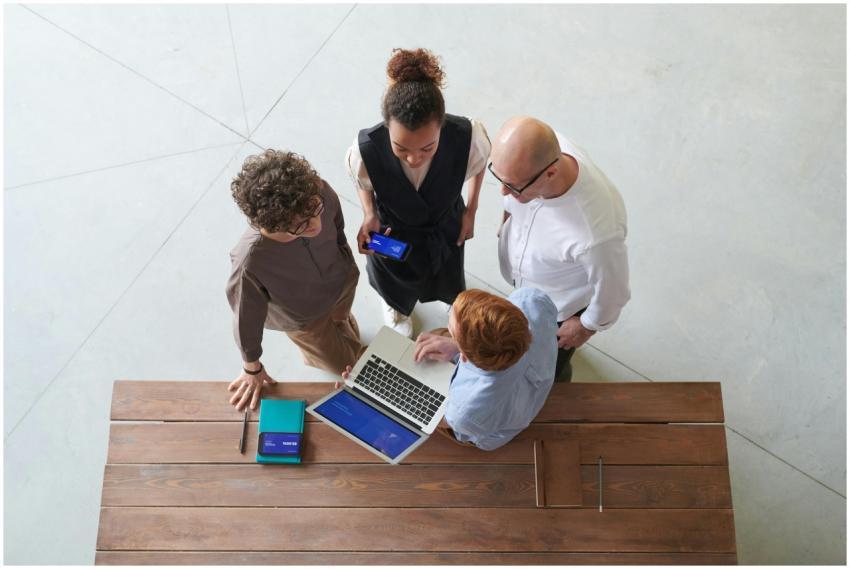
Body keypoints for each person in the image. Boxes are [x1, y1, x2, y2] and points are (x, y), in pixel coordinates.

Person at [345, 47, 490, 338]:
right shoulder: (365, 151)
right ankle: (395, 305)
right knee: (392, 277)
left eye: (428, 147)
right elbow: (364, 183)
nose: (414, 158)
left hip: (444, 221)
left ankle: (452, 302)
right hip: (394, 228)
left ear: (441, 126)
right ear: (387, 128)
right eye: (401, 149)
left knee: (448, 270)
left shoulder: (467, 136)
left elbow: (478, 166)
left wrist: (471, 211)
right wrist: (369, 213)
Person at [489, 116, 630, 382]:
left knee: (545, 370)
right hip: (528, 286)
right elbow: (512, 193)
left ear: (550, 173)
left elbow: (614, 291)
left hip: (557, 310)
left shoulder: (596, 233)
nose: (502, 192)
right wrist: (507, 220)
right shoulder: (539, 156)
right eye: (499, 177)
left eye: (513, 186)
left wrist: (586, 327)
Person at [226, 150, 363, 411]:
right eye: (299, 226)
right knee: (343, 363)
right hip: (306, 319)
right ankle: (325, 351)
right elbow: (245, 318)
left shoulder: (317, 193)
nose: (315, 225)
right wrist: (251, 367)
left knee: (342, 318)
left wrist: (344, 253)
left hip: (341, 278)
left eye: (314, 210)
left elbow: (336, 224)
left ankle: (341, 325)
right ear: (270, 226)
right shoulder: (250, 262)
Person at [411, 288, 558, 450]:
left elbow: (446, 420)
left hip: (489, 432)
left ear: (465, 356)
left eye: (452, 330)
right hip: (535, 391)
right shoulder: (531, 299)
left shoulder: (464, 413)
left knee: (435, 335)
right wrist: (457, 344)